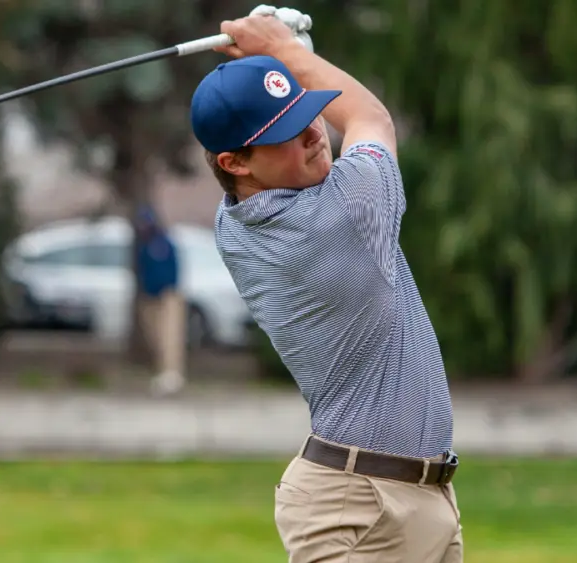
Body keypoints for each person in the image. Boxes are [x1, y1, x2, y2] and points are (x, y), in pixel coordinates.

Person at [189, 13, 463, 563]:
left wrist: (284, 65)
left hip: (418, 500)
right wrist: (288, 49)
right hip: (357, 510)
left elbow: (328, 129)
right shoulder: (345, 213)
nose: (316, 135)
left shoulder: (234, 220)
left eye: (308, 115)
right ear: (234, 162)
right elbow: (370, 117)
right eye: (289, 135)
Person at [133, 205, 187, 396]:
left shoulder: (162, 243)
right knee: (155, 336)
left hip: (167, 297)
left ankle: (173, 375)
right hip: (151, 298)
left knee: (169, 337)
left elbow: (171, 271)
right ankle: (162, 372)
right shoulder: (144, 245)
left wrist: (167, 292)